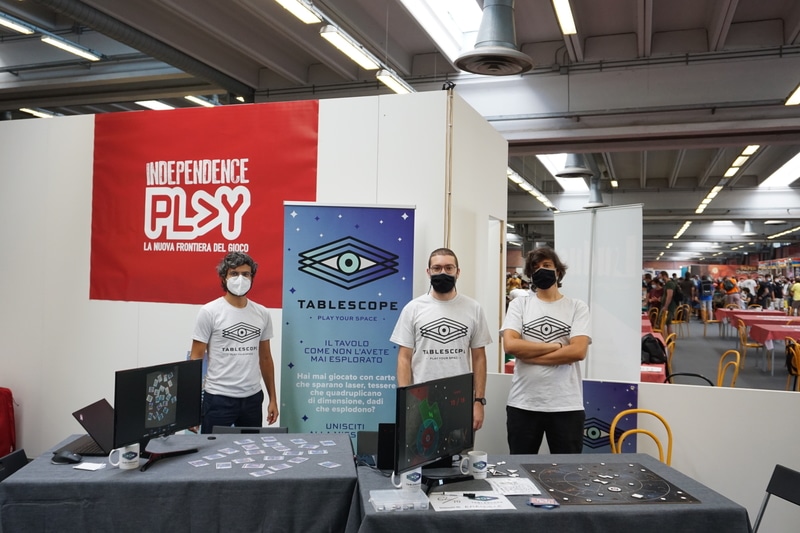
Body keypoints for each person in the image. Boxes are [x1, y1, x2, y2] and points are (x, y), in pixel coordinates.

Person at [501, 246, 591, 454]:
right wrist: (558, 347)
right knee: (520, 473)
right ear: (530, 275)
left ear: (558, 272)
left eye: (547, 265)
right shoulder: (519, 306)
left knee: (566, 477)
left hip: (566, 405)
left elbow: (578, 352)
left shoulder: (577, 307)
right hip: (523, 403)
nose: (541, 270)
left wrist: (529, 354)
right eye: (536, 267)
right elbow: (511, 345)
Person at [391, 248, 492, 431]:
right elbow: (404, 358)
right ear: (428, 272)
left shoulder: (473, 308)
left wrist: (479, 401)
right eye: (437, 268)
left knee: (459, 457)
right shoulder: (412, 309)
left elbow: (479, 358)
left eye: (449, 268)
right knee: (422, 454)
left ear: (458, 272)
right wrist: (406, 402)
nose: (443, 273)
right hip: (421, 401)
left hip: (460, 400)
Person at [190, 252, 278, 434]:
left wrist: (273, 399)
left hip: (252, 399)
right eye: (234, 273)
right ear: (224, 277)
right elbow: (195, 358)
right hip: (218, 398)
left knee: (251, 456)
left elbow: (266, 358)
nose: (240, 279)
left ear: (252, 278)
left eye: (246, 274)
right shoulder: (209, 312)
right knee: (211, 456)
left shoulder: (262, 313)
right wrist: (190, 407)